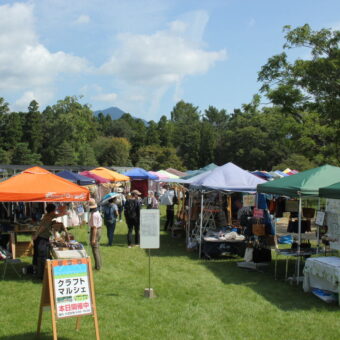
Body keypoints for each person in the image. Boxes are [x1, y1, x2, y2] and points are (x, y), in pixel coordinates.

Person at [32, 203, 66, 280]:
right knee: (42, 257)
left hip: (42, 238)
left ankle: (37, 271)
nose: (55, 212)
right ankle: (41, 274)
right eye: (54, 210)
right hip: (41, 239)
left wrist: (64, 209)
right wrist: (36, 235)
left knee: (39, 255)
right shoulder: (48, 218)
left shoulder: (49, 215)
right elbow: (42, 228)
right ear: (52, 211)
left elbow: (58, 215)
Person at [89, 198, 102, 270]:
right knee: (96, 248)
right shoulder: (97, 212)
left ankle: (98, 266)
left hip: (96, 231)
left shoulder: (94, 214)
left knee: (95, 249)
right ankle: (98, 265)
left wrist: (93, 239)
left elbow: (94, 228)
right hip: (99, 230)